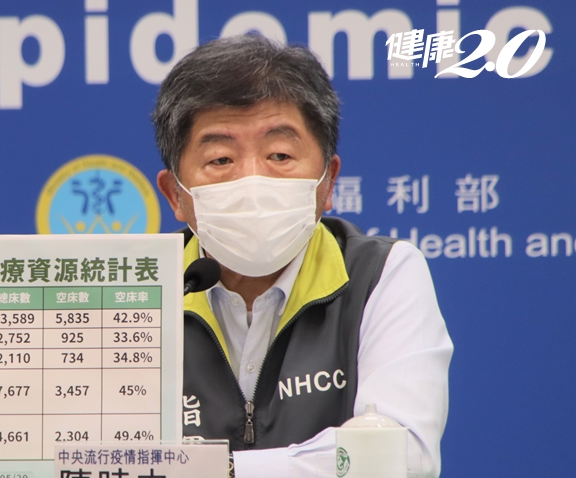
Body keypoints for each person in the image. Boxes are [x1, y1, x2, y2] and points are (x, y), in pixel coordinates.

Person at [153, 35, 453, 478]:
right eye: (220, 159)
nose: (252, 182)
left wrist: (222, 471)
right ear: (175, 194)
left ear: (328, 182)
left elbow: (399, 453)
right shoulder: (136, 291)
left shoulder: (379, 275)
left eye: (279, 154)